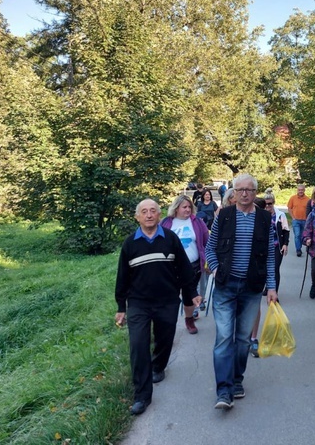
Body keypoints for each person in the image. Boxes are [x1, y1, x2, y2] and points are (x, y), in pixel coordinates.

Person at [115, 199, 200, 416]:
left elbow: (184, 269)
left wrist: (192, 293)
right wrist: (121, 307)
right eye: (144, 211)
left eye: (153, 211)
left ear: (160, 215)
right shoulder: (130, 244)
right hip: (139, 303)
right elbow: (122, 277)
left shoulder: (170, 239)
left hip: (167, 301)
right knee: (138, 345)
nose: (149, 215)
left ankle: (158, 365)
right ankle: (142, 396)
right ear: (137, 217)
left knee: (164, 338)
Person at [205, 174, 277, 410]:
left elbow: (269, 255)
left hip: (251, 287)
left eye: (249, 189)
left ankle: (237, 380)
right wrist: (216, 271)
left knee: (243, 339)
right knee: (224, 337)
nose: (244, 193)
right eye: (240, 189)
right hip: (226, 285)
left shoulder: (266, 219)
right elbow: (210, 248)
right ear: (234, 192)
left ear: (255, 193)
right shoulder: (223, 216)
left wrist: (272, 287)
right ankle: (223, 390)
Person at [160, 194, 210, 333]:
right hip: (170, 267)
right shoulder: (166, 223)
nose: (188, 210)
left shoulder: (197, 222)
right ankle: (168, 324)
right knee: (170, 296)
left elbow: (207, 242)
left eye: (189, 207)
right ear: (176, 208)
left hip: (193, 266)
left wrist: (208, 262)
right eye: (184, 207)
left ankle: (189, 320)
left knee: (189, 295)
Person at [250, 189, 290, 357]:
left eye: (270, 203)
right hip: (260, 253)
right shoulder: (257, 218)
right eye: (266, 204)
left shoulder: (279, 215)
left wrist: (285, 244)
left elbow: (286, 230)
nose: (268, 206)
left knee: (273, 269)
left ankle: (273, 289)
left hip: (275, 246)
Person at [287, 184, 310, 257]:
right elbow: (289, 208)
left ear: (304, 190)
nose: (300, 191)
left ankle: (305, 246)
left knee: (303, 236)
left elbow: (309, 210)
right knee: (297, 235)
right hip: (296, 220)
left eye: (302, 190)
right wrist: (293, 217)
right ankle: (298, 249)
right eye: (299, 190)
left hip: (304, 220)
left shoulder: (308, 199)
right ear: (297, 190)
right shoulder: (293, 198)